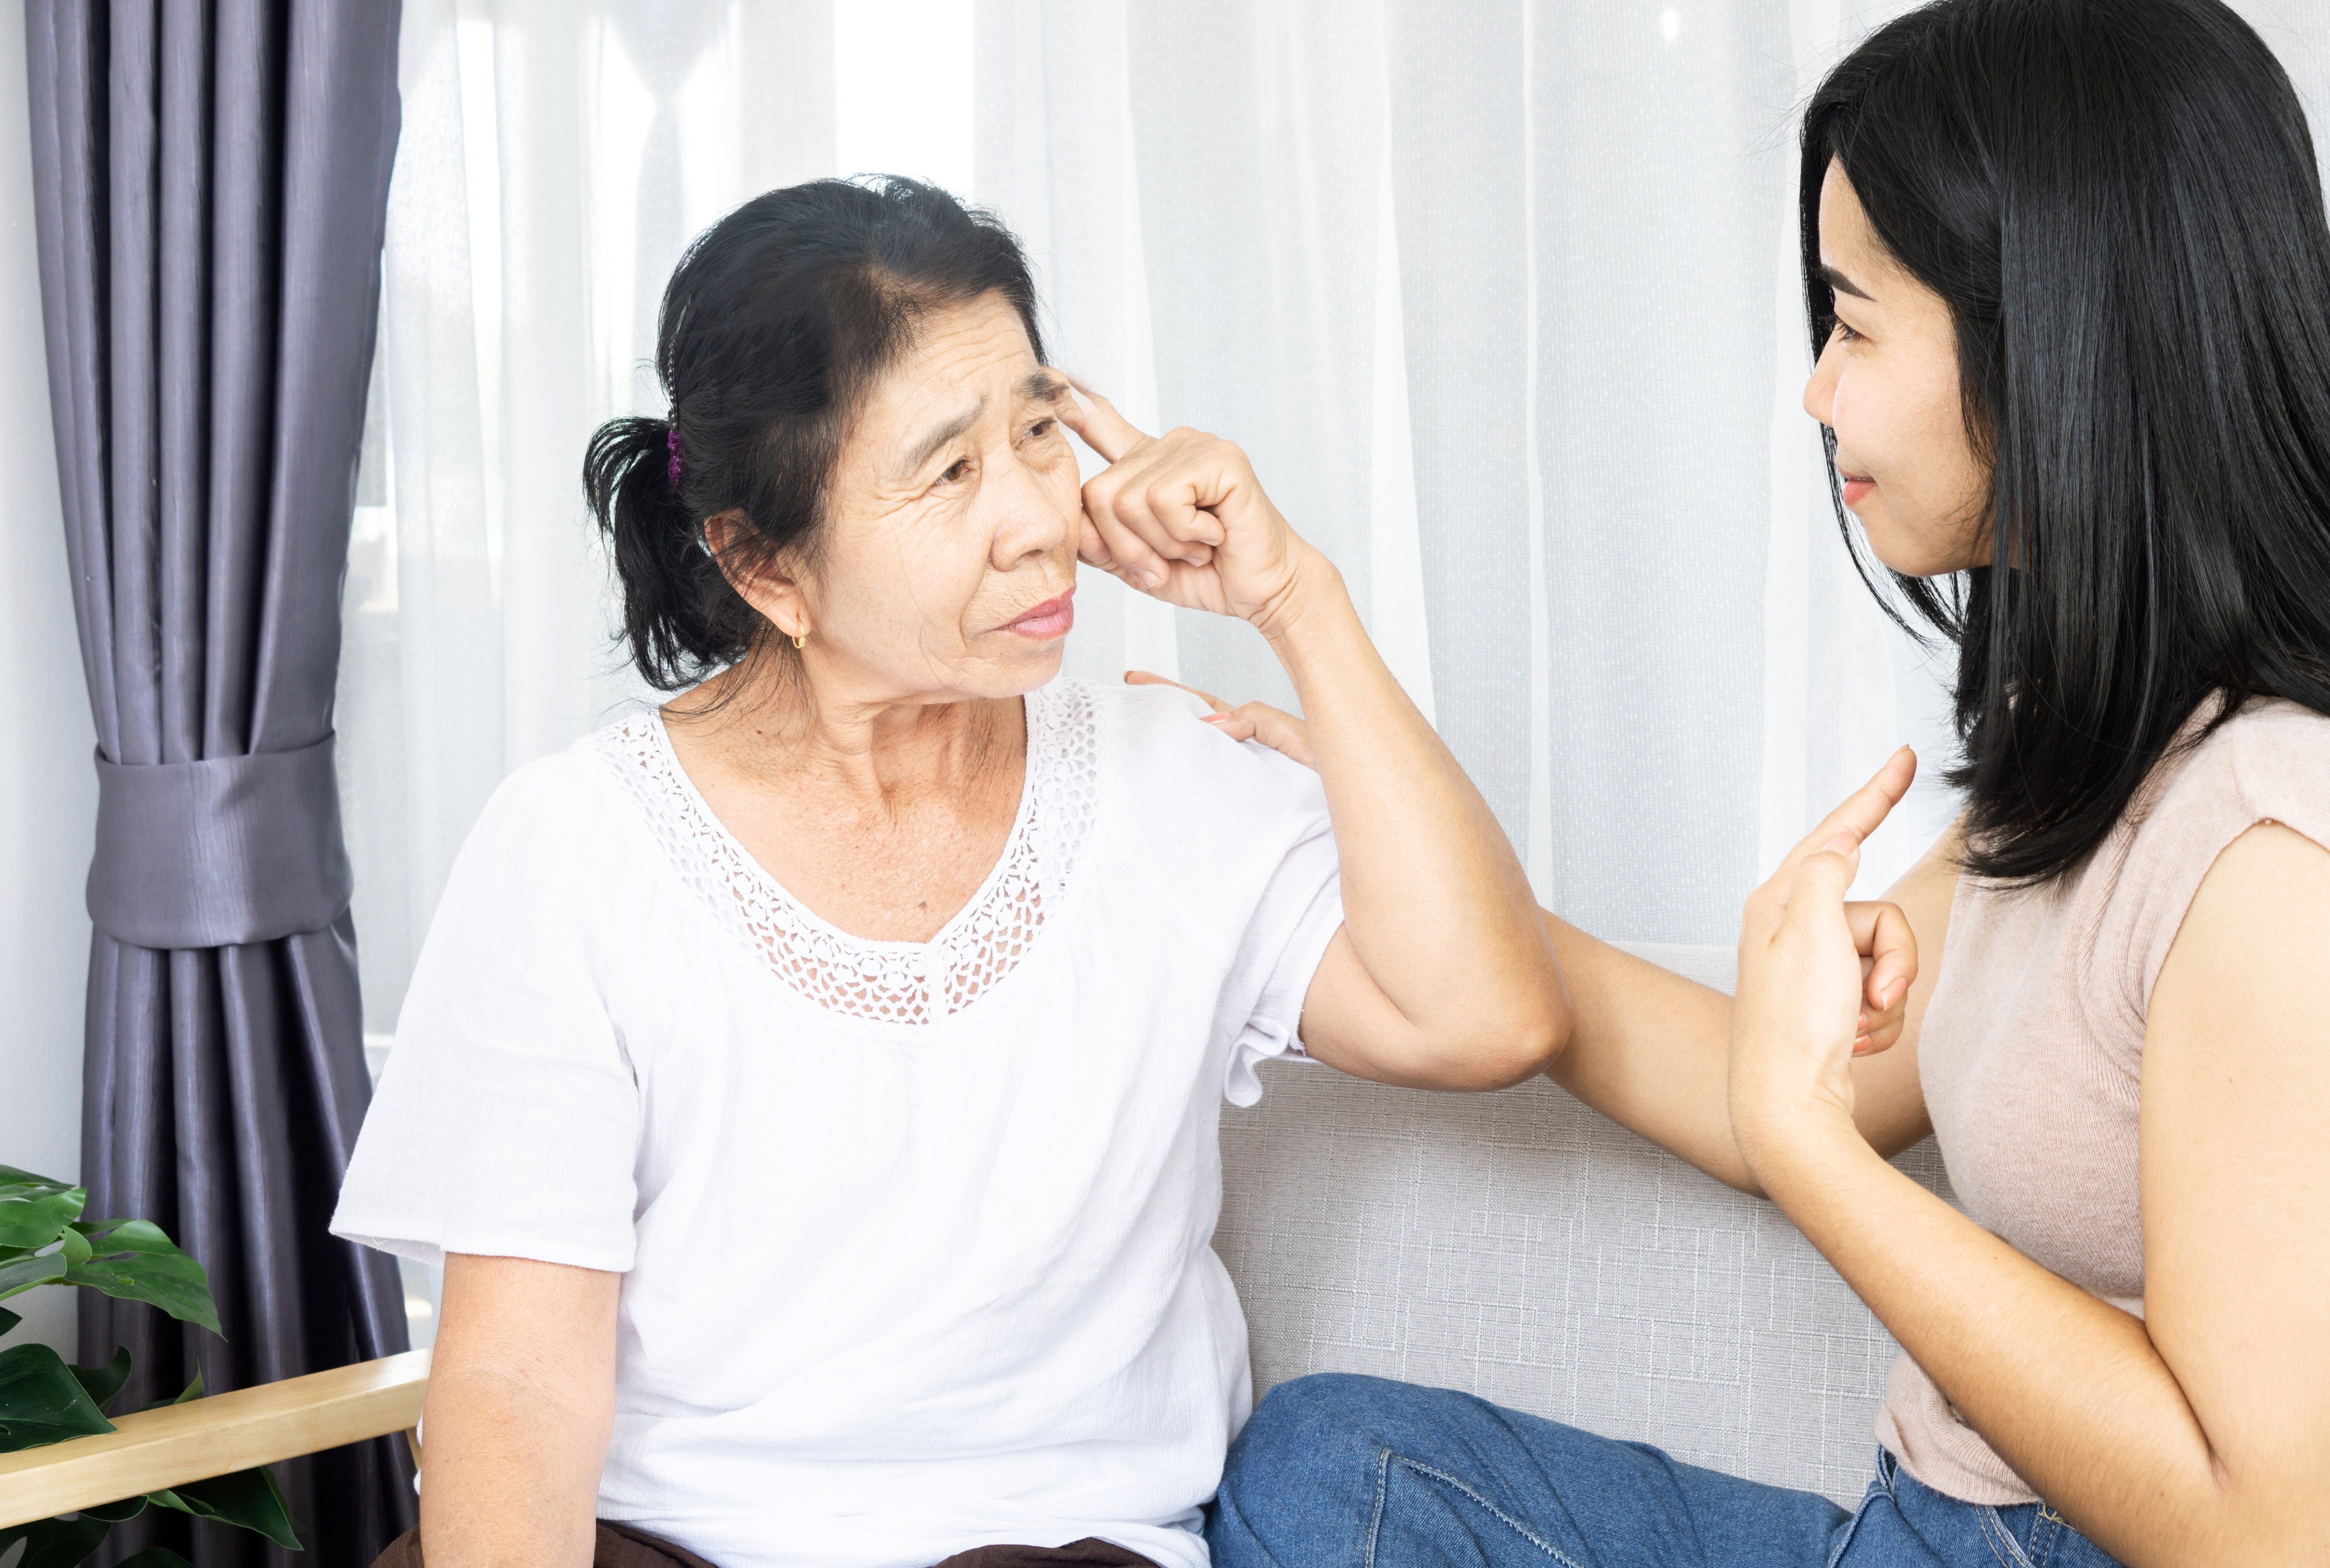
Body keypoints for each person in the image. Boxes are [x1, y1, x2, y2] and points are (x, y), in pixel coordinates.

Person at [1197, 1, 2330, 1565]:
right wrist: (1403, 849)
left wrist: (1814, 1156)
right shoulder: (2115, 760)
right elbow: (1769, 1087)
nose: (1819, 393)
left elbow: (2266, 1529)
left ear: (2054, 342)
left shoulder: (2273, 848)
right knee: (1332, 1467)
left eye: (1857, 324)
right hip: (1915, 1527)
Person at [329, 177, 1572, 1568]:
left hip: (1055, 1548)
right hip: (658, 1544)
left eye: (1039, 431)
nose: (1041, 519)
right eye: (949, 471)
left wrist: (1296, 601)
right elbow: (516, 1387)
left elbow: (1486, 1018)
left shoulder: (1175, 782)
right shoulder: (574, 848)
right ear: (763, 565)